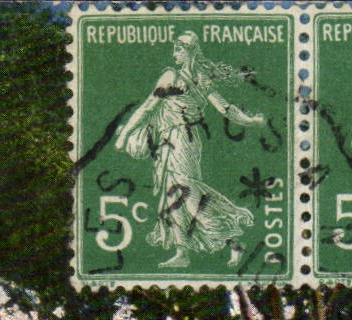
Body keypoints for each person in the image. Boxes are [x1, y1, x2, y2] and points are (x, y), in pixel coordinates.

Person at [114, 30, 267, 268]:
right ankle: (182, 252)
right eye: (174, 49)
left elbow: (147, 108)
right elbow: (226, 110)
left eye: (179, 49)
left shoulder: (173, 76)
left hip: (179, 140)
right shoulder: (199, 78)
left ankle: (233, 240)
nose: (175, 54)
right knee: (173, 195)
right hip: (177, 140)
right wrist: (250, 121)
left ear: (190, 52)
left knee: (187, 193)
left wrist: (124, 135)